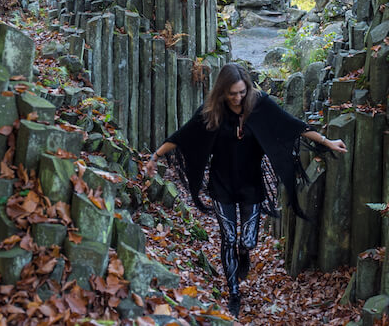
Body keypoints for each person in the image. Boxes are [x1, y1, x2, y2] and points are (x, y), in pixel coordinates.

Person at [146, 63, 347, 317]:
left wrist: (327, 141)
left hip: (251, 185)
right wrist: (155, 156)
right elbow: (182, 136)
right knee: (228, 237)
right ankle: (233, 293)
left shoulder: (260, 104)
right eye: (232, 93)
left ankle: (244, 252)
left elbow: (293, 125)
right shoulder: (211, 112)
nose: (238, 97)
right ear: (222, 92)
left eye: (241, 92)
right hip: (221, 185)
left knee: (248, 240)